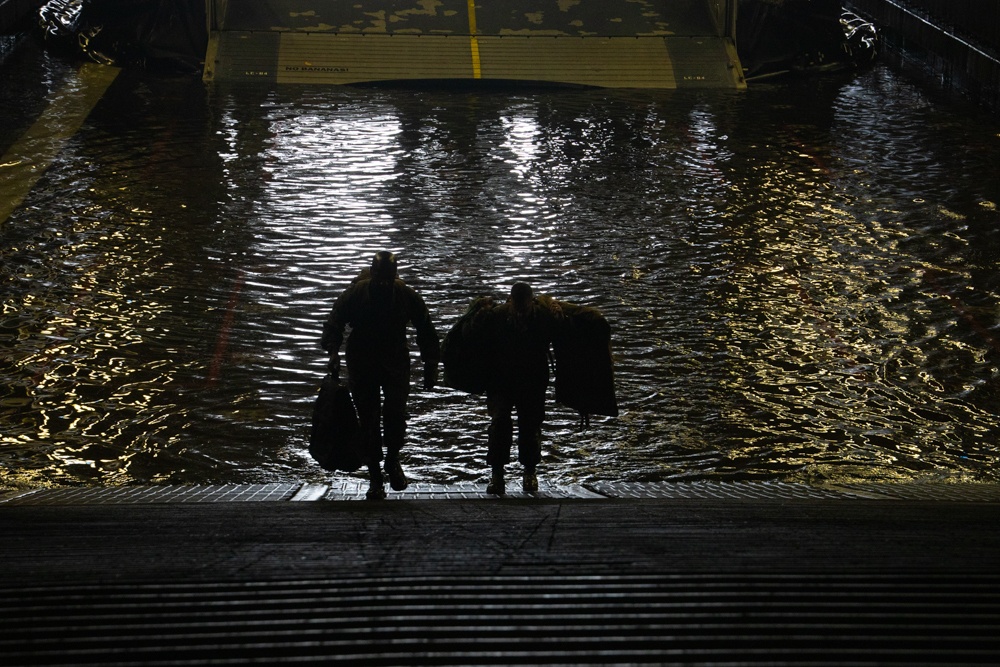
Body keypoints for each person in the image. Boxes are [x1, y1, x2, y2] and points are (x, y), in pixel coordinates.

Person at [321, 251, 440, 500]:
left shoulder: (406, 295)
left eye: (389, 278)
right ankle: (375, 476)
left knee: (396, 413)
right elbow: (334, 322)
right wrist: (333, 354)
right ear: (372, 274)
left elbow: (425, 327)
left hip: (395, 360)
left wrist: (431, 364)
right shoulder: (356, 293)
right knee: (368, 418)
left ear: (395, 276)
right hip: (362, 361)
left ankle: (393, 459)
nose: (384, 283)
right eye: (380, 278)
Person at [480, 282, 562, 496]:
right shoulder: (498, 316)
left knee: (530, 426)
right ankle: (498, 474)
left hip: (531, 381)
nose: (521, 308)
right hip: (502, 380)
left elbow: (563, 335)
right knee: (500, 425)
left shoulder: (543, 317)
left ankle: (529, 472)